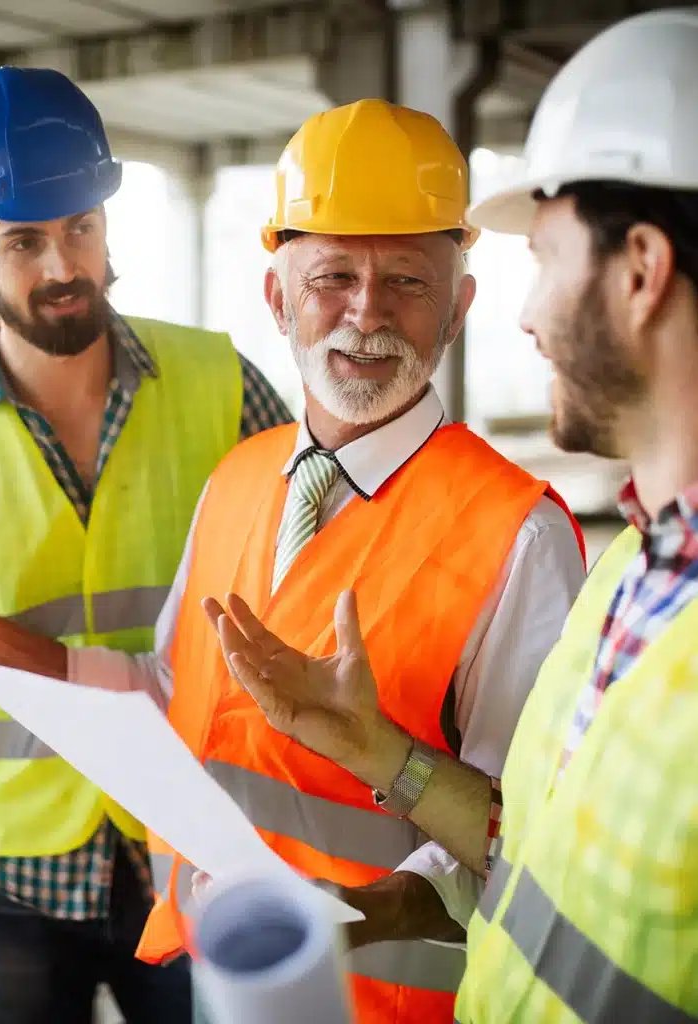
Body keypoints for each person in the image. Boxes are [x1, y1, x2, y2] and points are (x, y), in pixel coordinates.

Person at [0, 99, 585, 1022]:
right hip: (225, 975)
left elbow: (536, 836)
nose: (364, 312)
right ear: (277, 297)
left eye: (407, 282)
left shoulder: (519, 536)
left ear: (460, 305)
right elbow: (162, 686)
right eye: (331, 276)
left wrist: (359, 913)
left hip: (389, 1000)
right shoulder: (239, 478)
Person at [206, 10, 698, 1022]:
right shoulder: (632, 572)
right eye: (333, 275)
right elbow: (529, 841)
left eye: (546, 257)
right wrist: (376, 747)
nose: (524, 315)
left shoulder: (533, 535)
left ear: (641, 269)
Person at [0, 66, 291, 1024]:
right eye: (24, 240)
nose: (61, 266)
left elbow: (307, 590)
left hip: (192, 844)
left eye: (80, 226)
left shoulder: (220, 382)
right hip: (5, 870)